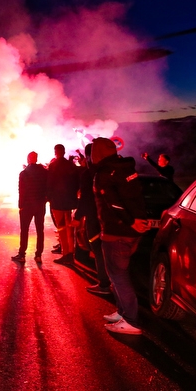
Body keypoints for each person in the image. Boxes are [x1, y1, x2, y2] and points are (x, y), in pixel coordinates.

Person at [92, 138, 149, 336]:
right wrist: (138, 220)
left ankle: (132, 321)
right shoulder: (126, 167)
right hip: (131, 232)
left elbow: (113, 203)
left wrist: (130, 221)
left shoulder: (104, 173)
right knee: (118, 275)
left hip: (117, 232)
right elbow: (136, 196)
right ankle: (123, 312)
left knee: (118, 276)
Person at [75, 143, 111, 296]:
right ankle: (113, 283)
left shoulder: (88, 174)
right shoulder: (109, 171)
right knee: (109, 251)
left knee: (98, 250)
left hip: (94, 219)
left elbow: (85, 199)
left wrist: (77, 217)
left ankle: (104, 284)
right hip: (110, 219)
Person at [12, 151, 48, 264]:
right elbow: (47, 187)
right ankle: (38, 255)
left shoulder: (24, 173)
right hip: (40, 204)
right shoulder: (44, 172)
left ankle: (22, 254)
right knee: (40, 230)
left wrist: (20, 205)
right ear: (36, 159)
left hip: (27, 205)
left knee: (24, 230)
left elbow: (22, 191)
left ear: (28, 159)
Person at [47, 144, 80, 266]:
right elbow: (77, 183)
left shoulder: (54, 166)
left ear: (55, 152)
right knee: (70, 228)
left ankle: (66, 254)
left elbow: (49, 184)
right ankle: (71, 253)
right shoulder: (71, 165)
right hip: (70, 202)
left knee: (61, 228)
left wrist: (49, 198)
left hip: (58, 202)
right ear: (64, 152)